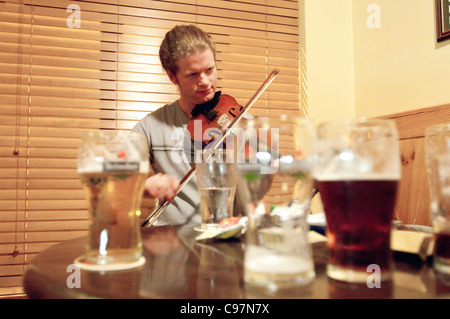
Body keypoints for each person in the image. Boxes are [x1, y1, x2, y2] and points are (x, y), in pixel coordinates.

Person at [132, 24, 219, 226]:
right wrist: (144, 184)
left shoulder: (240, 120)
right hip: (173, 243)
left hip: (232, 238)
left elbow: (263, 176)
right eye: (193, 74)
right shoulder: (150, 127)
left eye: (210, 70)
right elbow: (115, 180)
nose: (205, 81)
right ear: (173, 76)